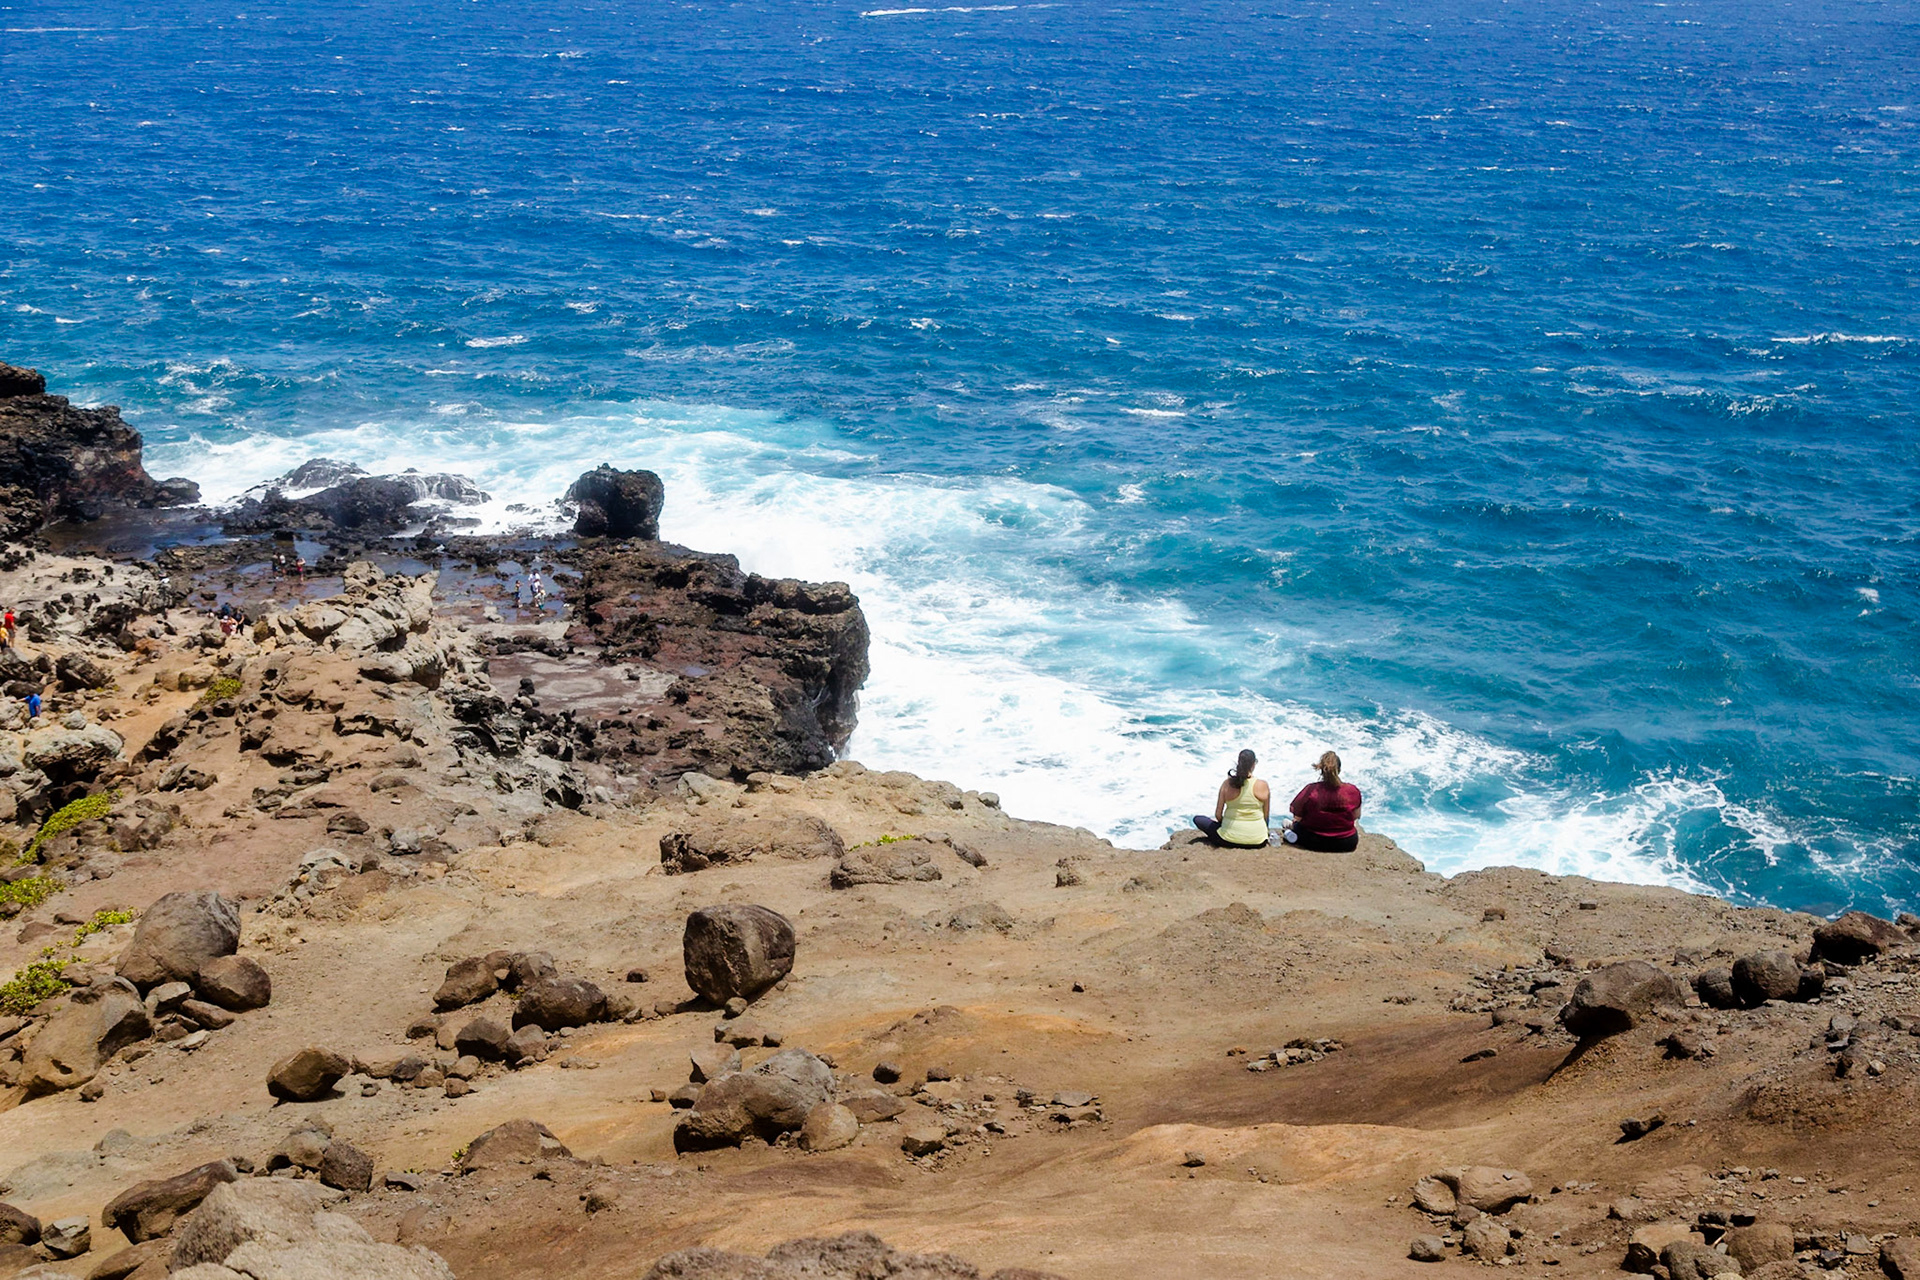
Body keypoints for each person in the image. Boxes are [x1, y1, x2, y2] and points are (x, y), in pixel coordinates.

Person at [1283, 751, 1362, 852]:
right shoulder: (1352, 790)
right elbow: (1356, 816)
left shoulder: (1311, 790)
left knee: (1289, 824)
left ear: (1321, 770)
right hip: (1346, 843)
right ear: (1339, 770)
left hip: (1313, 841)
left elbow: (1297, 817)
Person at [1192, 749, 1271, 847]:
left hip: (1227, 839)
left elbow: (1218, 815)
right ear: (1253, 764)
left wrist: (1224, 823)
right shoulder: (1263, 785)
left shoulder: (1227, 784)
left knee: (1198, 819)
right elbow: (1266, 816)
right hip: (1259, 841)